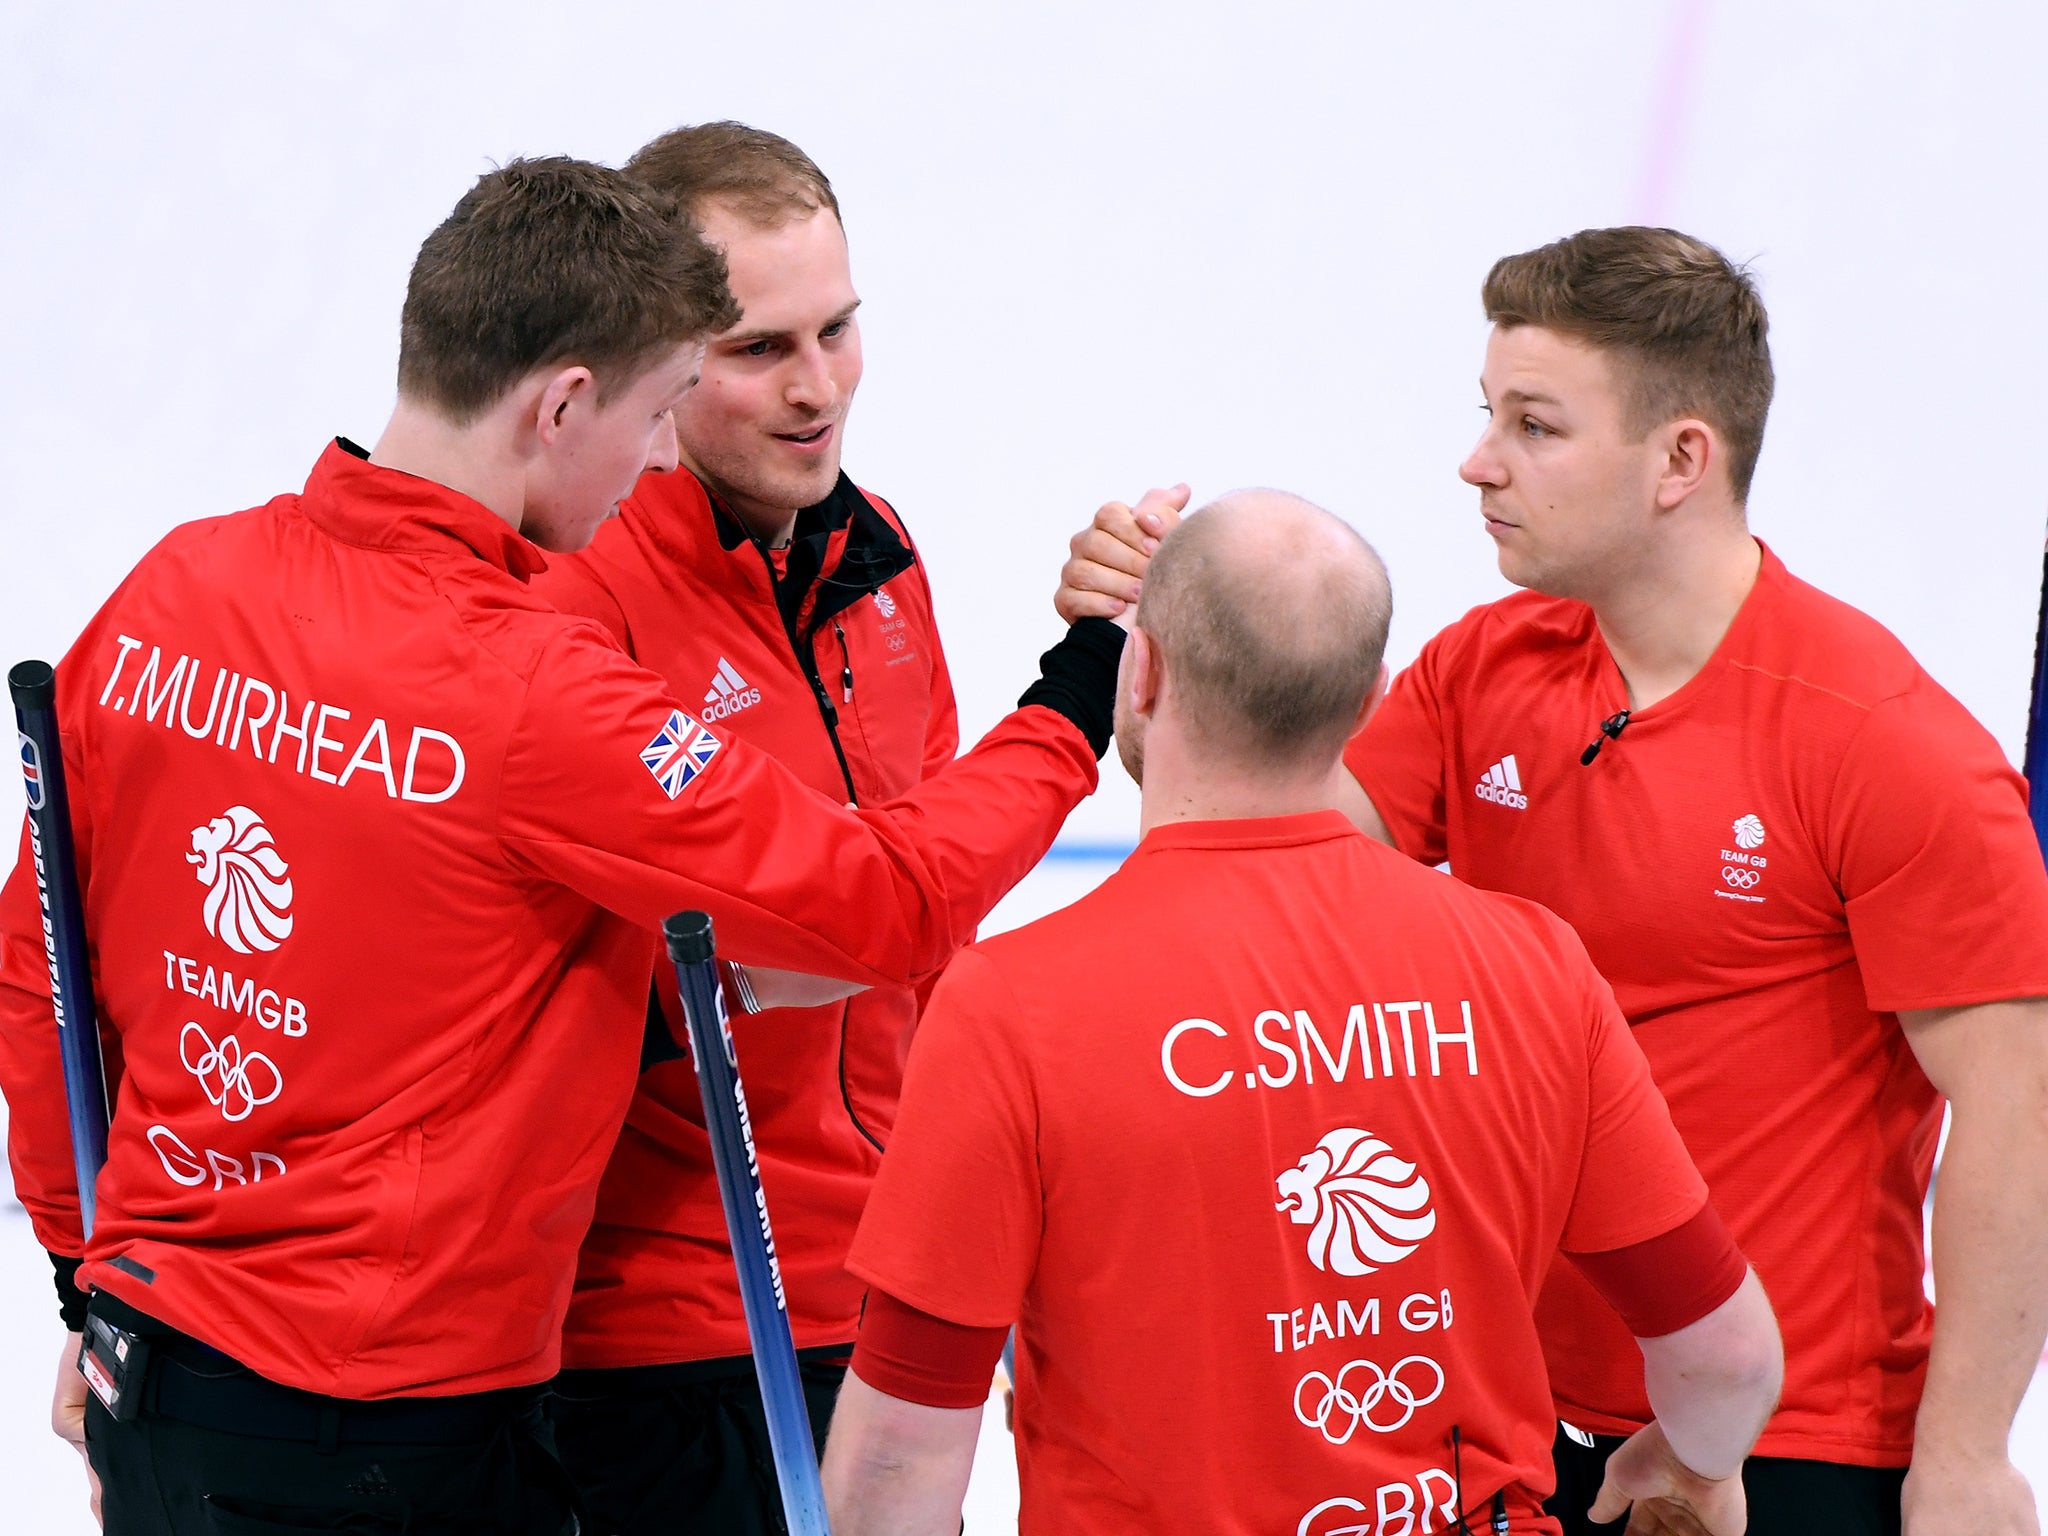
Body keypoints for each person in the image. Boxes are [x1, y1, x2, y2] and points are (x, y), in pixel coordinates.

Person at [0, 156, 1127, 1535]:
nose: (661, 458)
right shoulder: (532, 681)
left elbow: (40, 970)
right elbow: (875, 907)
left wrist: (87, 1280)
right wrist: (1078, 697)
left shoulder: (181, 581)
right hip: (407, 1425)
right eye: (664, 408)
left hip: (165, 1384)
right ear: (565, 403)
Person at [1059, 229, 2048, 1536]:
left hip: (1789, 1448)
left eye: (1533, 426)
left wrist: (1967, 1455)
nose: (1480, 462)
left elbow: (2022, 1104)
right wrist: (1158, 664)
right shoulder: (1488, 670)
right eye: (1488, 415)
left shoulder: (1878, 739)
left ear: (1681, 462)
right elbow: (1270, 856)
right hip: (1504, 1422)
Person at [823, 491, 1785, 1535]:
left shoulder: (1012, 1006)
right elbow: (1724, 1356)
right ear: (1369, 699)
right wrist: (1692, 1463)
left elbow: (898, 1465)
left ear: (1136, 678)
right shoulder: (1533, 966)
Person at [526, 122, 1186, 1535]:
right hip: (671, 1330)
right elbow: (867, 911)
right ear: (653, 355)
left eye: (838, 329)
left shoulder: (873, 555)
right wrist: (1074, 686)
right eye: (761, 348)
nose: (818, 389)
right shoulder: (579, 603)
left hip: (887, 1290)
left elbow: (923, 932)